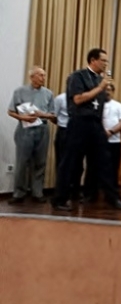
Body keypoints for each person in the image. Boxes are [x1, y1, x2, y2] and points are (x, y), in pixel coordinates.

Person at [53, 49, 121, 210]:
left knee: (105, 161)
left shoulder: (101, 80)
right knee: (70, 162)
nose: (106, 64)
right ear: (93, 60)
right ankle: (60, 199)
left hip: (96, 124)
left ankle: (112, 197)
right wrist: (100, 88)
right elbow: (78, 99)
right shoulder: (77, 77)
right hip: (79, 122)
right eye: (103, 61)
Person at [7, 66, 55, 204]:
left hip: (42, 129)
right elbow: (10, 111)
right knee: (22, 162)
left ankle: (37, 192)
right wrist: (23, 118)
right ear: (32, 77)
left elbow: (52, 114)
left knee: (40, 162)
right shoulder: (19, 91)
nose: (43, 78)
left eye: (44, 75)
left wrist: (42, 114)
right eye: (40, 75)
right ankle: (19, 193)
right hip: (25, 129)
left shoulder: (48, 93)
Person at [102, 83, 121, 190]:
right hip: (100, 141)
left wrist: (111, 132)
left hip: (114, 142)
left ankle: (112, 191)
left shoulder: (118, 105)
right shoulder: (97, 104)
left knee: (113, 167)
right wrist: (102, 132)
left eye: (109, 90)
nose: (107, 92)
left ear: (113, 92)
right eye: (105, 89)